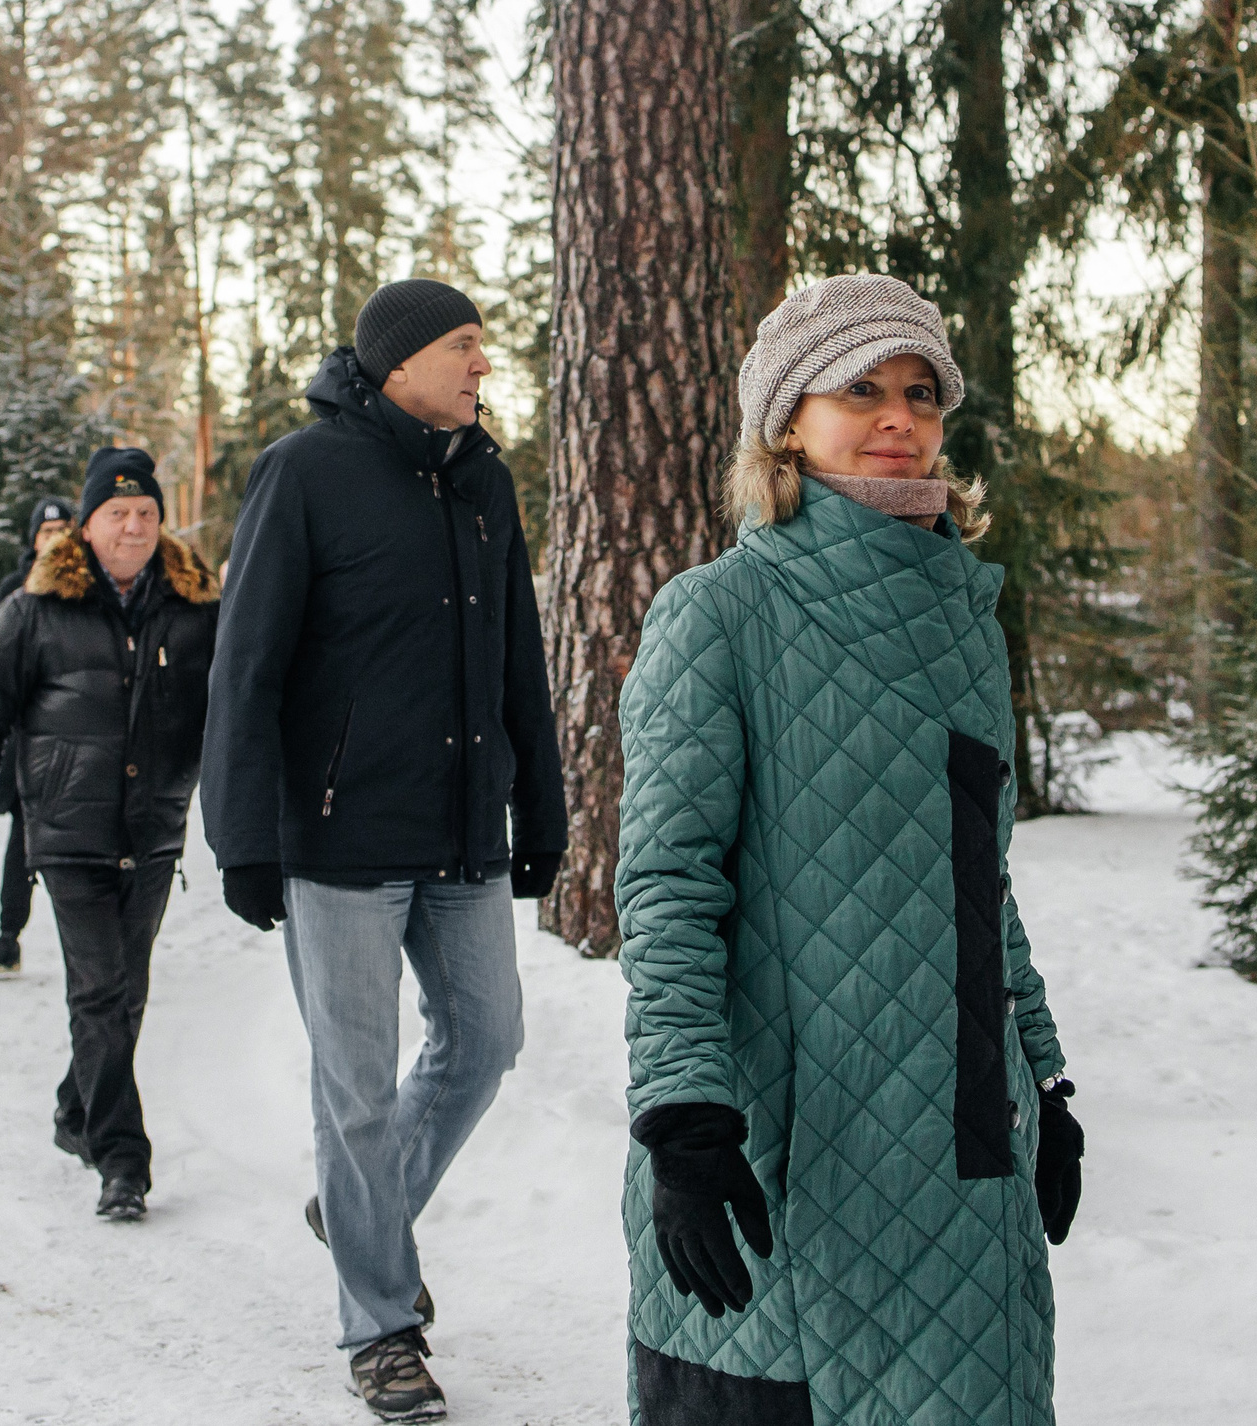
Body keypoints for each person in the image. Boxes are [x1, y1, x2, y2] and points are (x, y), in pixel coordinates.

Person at [614, 274, 1084, 1425]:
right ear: (786, 422)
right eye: (859, 388)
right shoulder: (715, 611)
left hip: (965, 1142)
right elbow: (668, 884)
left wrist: (1047, 1072)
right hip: (778, 1141)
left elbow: (984, 884)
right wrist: (683, 1116)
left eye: (919, 391)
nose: (898, 417)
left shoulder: (961, 623)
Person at [202, 278, 565, 1424]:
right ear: (398, 359)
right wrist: (242, 833)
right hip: (337, 837)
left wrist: (541, 808)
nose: (481, 366)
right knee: (351, 1089)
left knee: (489, 1036)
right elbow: (244, 664)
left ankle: (360, 1208)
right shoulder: (303, 472)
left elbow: (519, 661)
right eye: (463, 346)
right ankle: (381, 1325)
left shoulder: (483, 482)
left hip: (461, 829)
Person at [0, 449, 219, 1222]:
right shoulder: (34, 611)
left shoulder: (197, 610)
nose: (133, 525)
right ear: (87, 527)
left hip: (153, 831)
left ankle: (74, 1108)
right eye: (117, 514)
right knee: (99, 991)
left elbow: (236, 710)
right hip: (66, 832)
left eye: (147, 513)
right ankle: (122, 1161)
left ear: (162, 524)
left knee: (125, 996)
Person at [0, 496, 76, 975]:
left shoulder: (87, 589)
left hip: (77, 742)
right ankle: (8, 934)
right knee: (22, 840)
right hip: (27, 741)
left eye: (61, 530)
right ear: (33, 540)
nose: (53, 540)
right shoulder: (15, 591)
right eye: (44, 533)